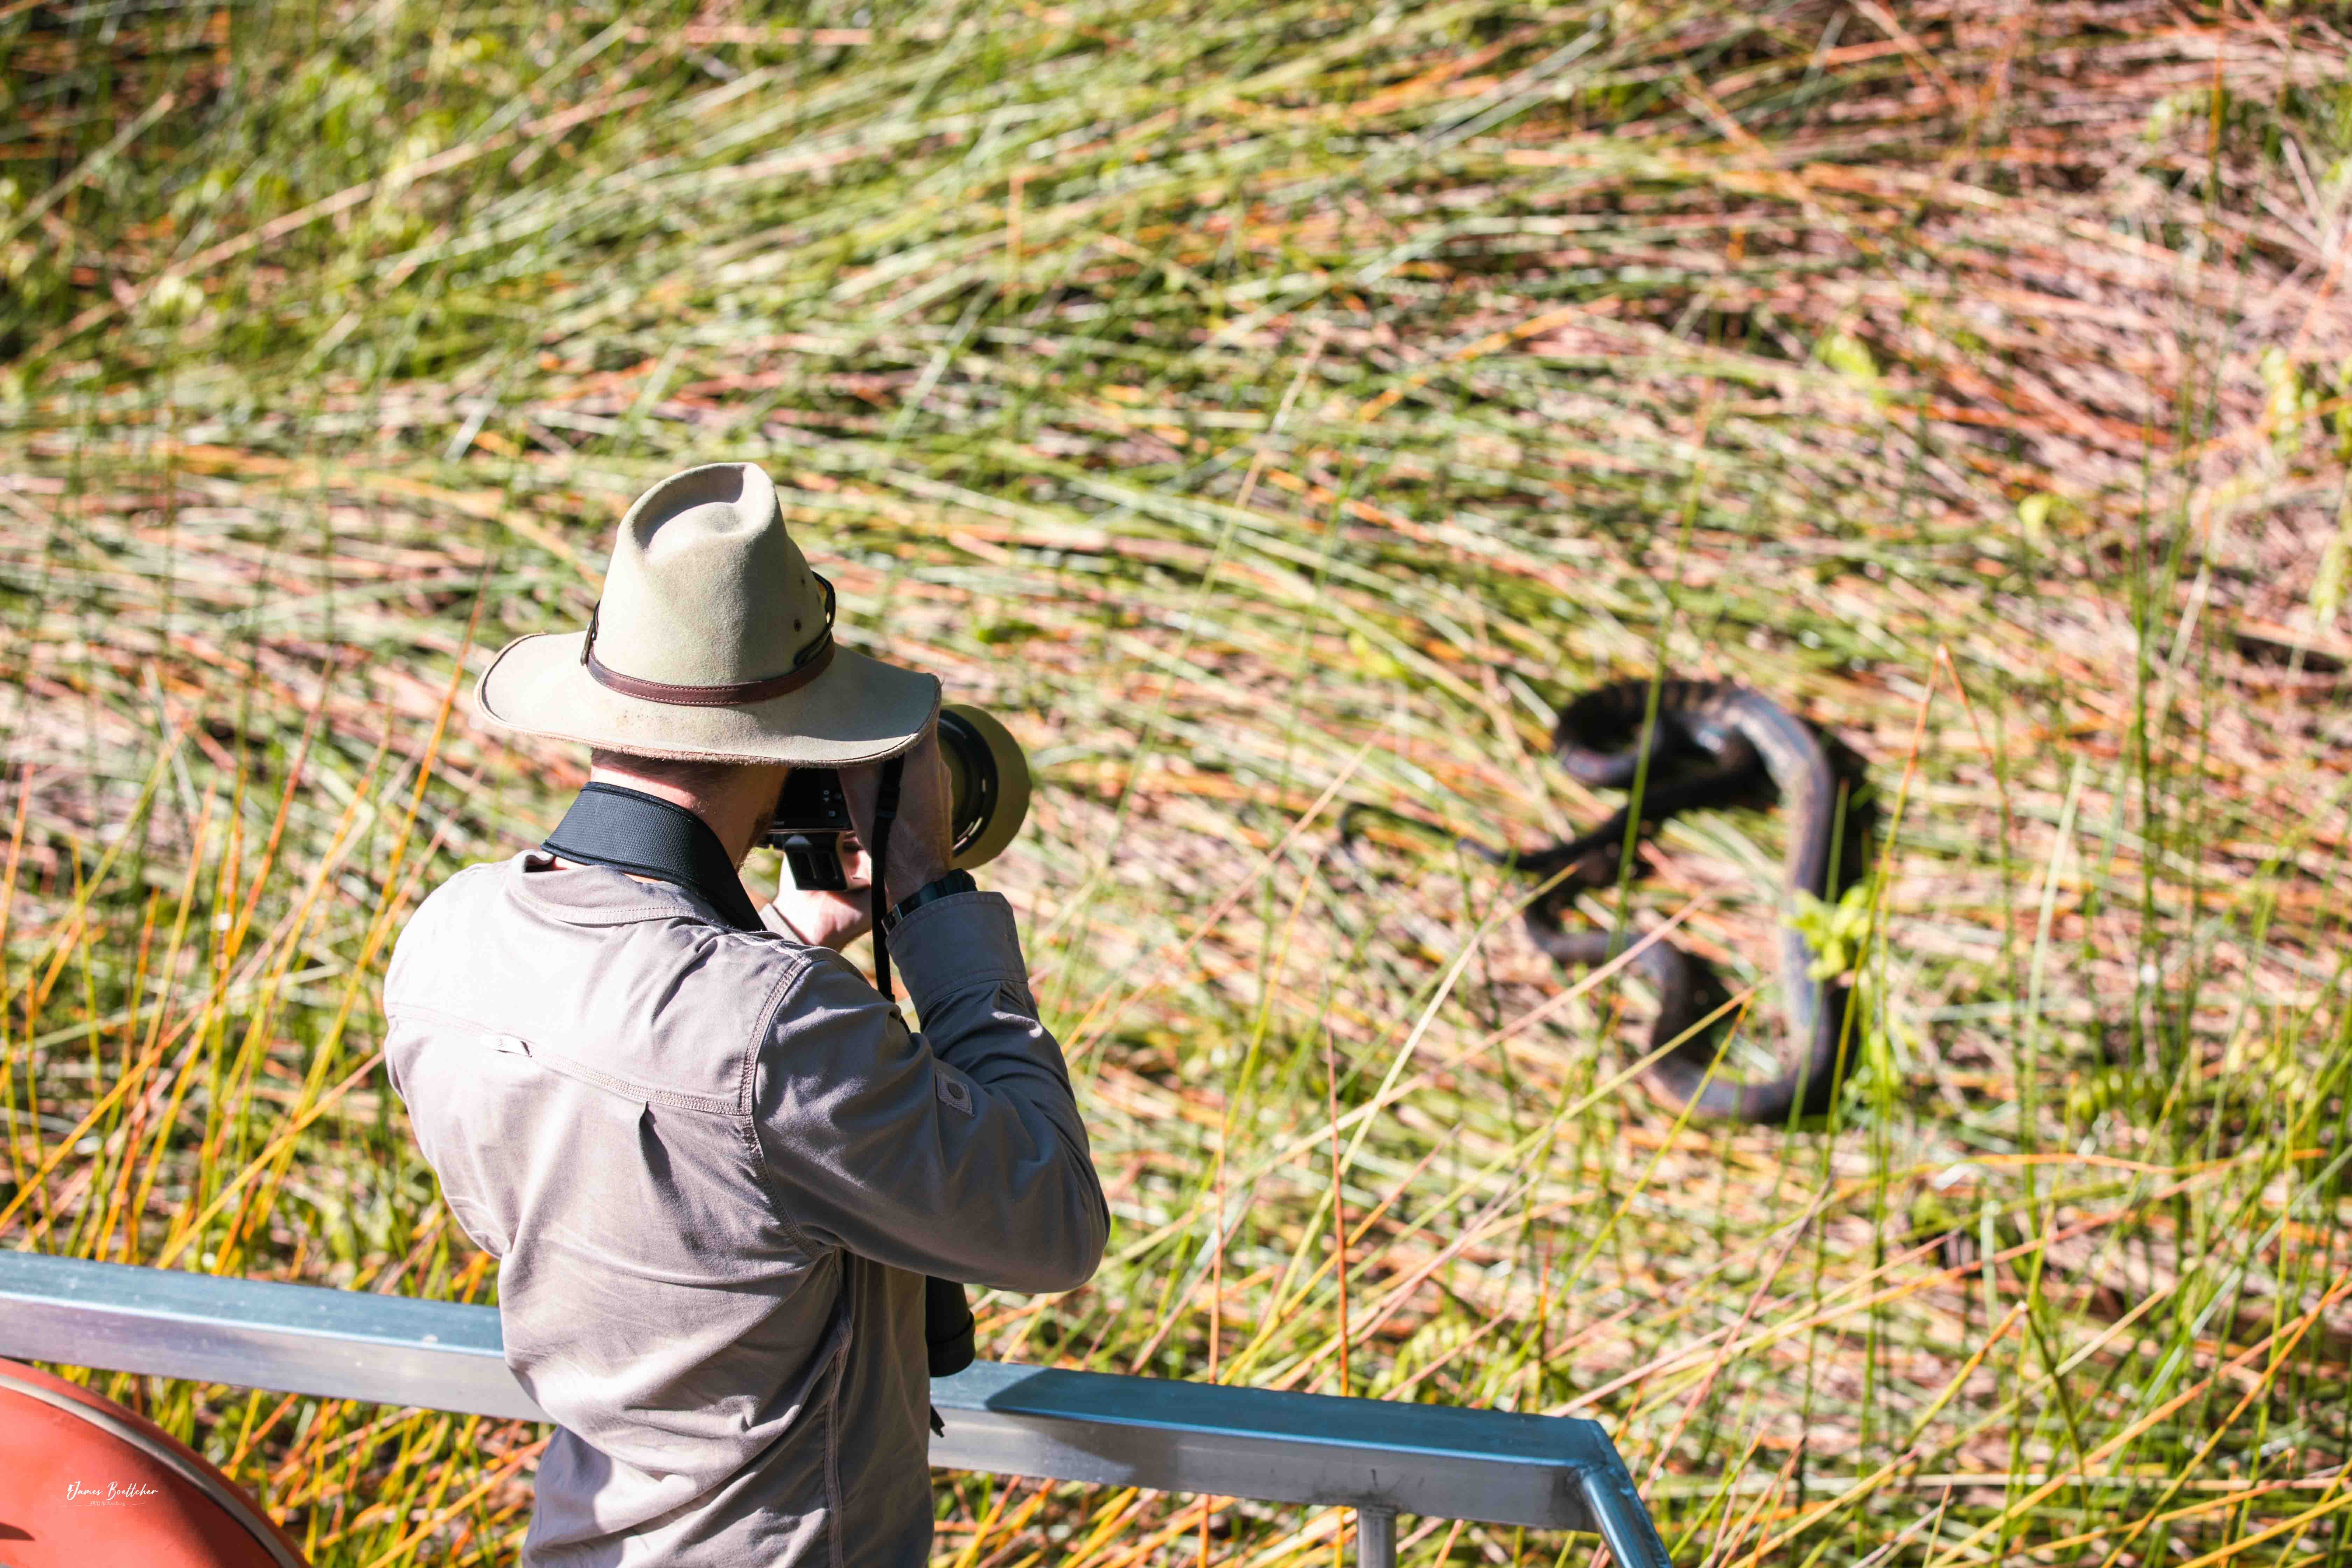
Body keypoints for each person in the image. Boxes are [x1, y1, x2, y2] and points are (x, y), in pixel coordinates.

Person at [382, 461, 1108, 1566]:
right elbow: (1051, 1221)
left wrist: (786, 937)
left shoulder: (452, 935)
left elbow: (642, 1140)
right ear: (797, 735)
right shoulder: (771, 1030)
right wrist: (928, 889)